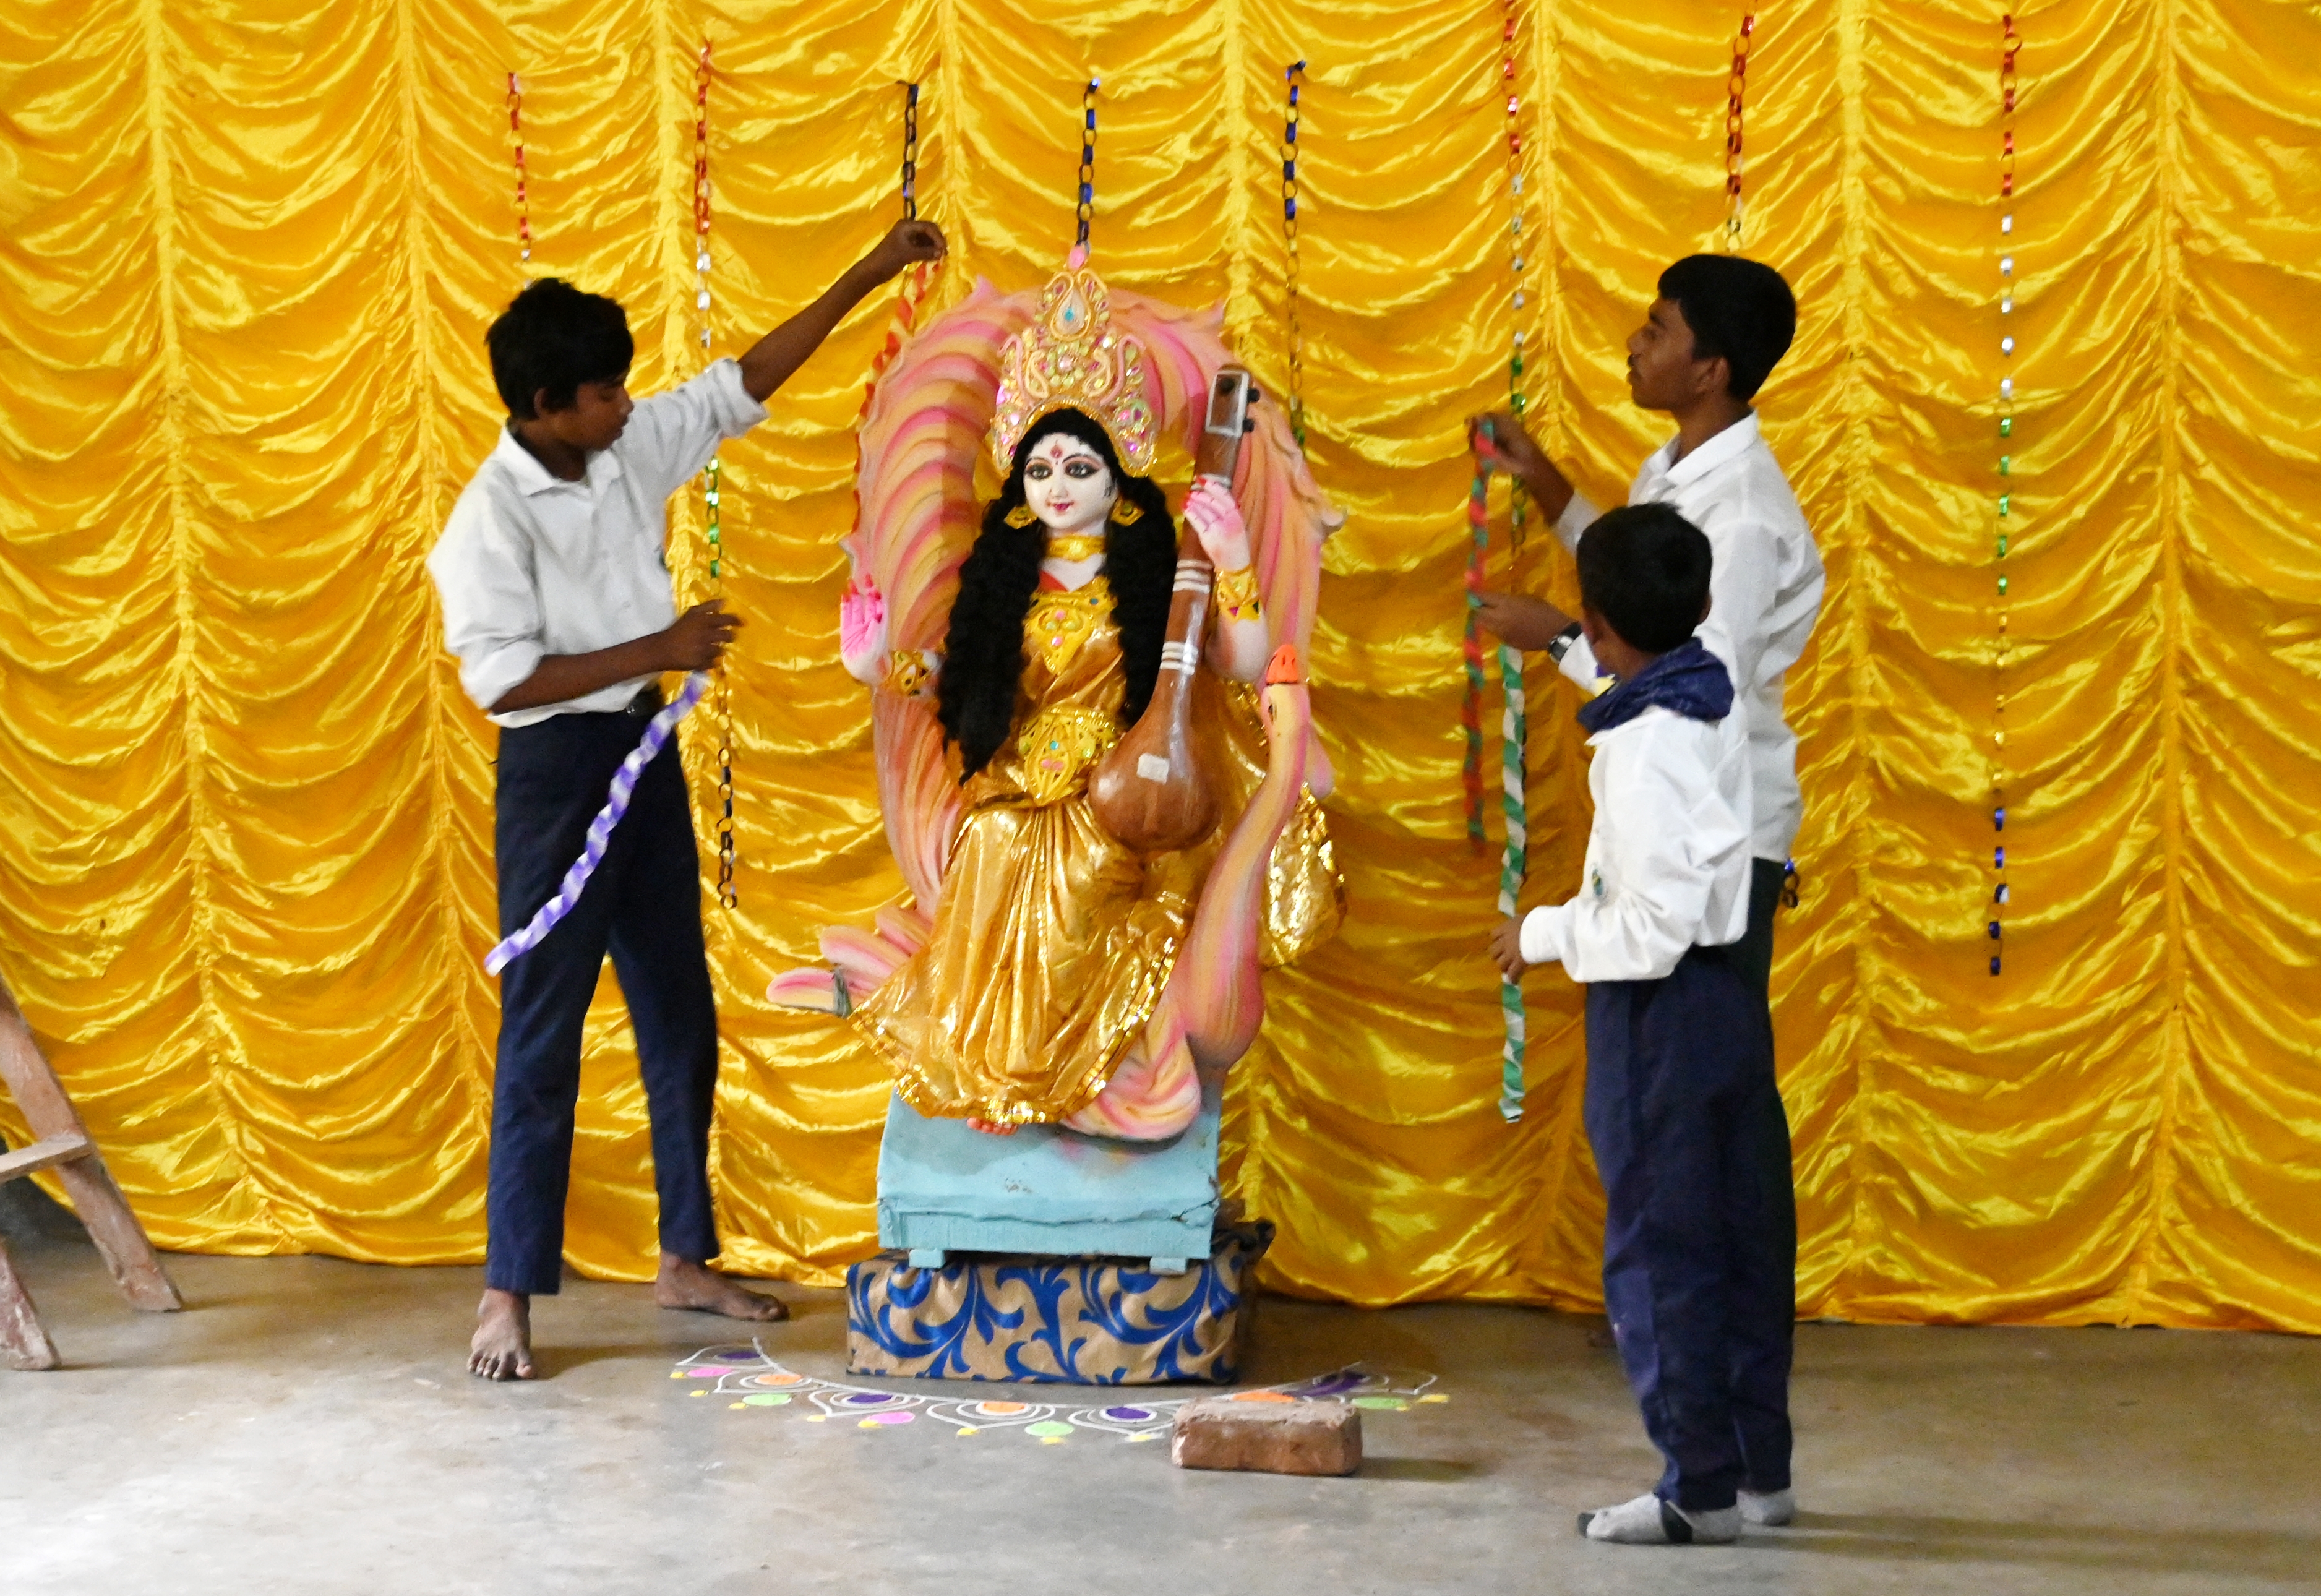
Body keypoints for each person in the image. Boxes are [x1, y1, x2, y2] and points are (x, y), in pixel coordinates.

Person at [428, 217, 947, 1381]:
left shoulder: (621, 451)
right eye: (605, 393)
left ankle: (684, 1257)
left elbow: (738, 384)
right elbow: (503, 678)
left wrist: (864, 269)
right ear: (548, 404)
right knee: (543, 1039)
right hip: (555, 781)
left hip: (637, 761)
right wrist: (657, 641)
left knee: (679, 1013)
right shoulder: (488, 521)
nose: (626, 406)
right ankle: (506, 1293)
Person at [1491, 501, 1794, 1546]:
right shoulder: (1710, 689)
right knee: (1743, 1233)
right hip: (1727, 1000)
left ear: (1602, 626)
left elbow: (1649, 924)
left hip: (1657, 1014)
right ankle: (1759, 1469)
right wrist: (1578, 646)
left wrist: (1536, 934)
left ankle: (1696, 1489)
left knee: (1662, 1251)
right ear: (1704, 604)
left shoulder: (1639, 746)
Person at [1474, 254, 1821, 1005]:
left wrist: (1559, 636)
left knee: (1689, 1074)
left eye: (1656, 331)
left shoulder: (1743, 519)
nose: (1632, 343)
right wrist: (1538, 476)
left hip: (1717, 829)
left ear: (1708, 372)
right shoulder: (1676, 469)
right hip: (1677, 816)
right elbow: (1638, 578)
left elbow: (1696, 688)